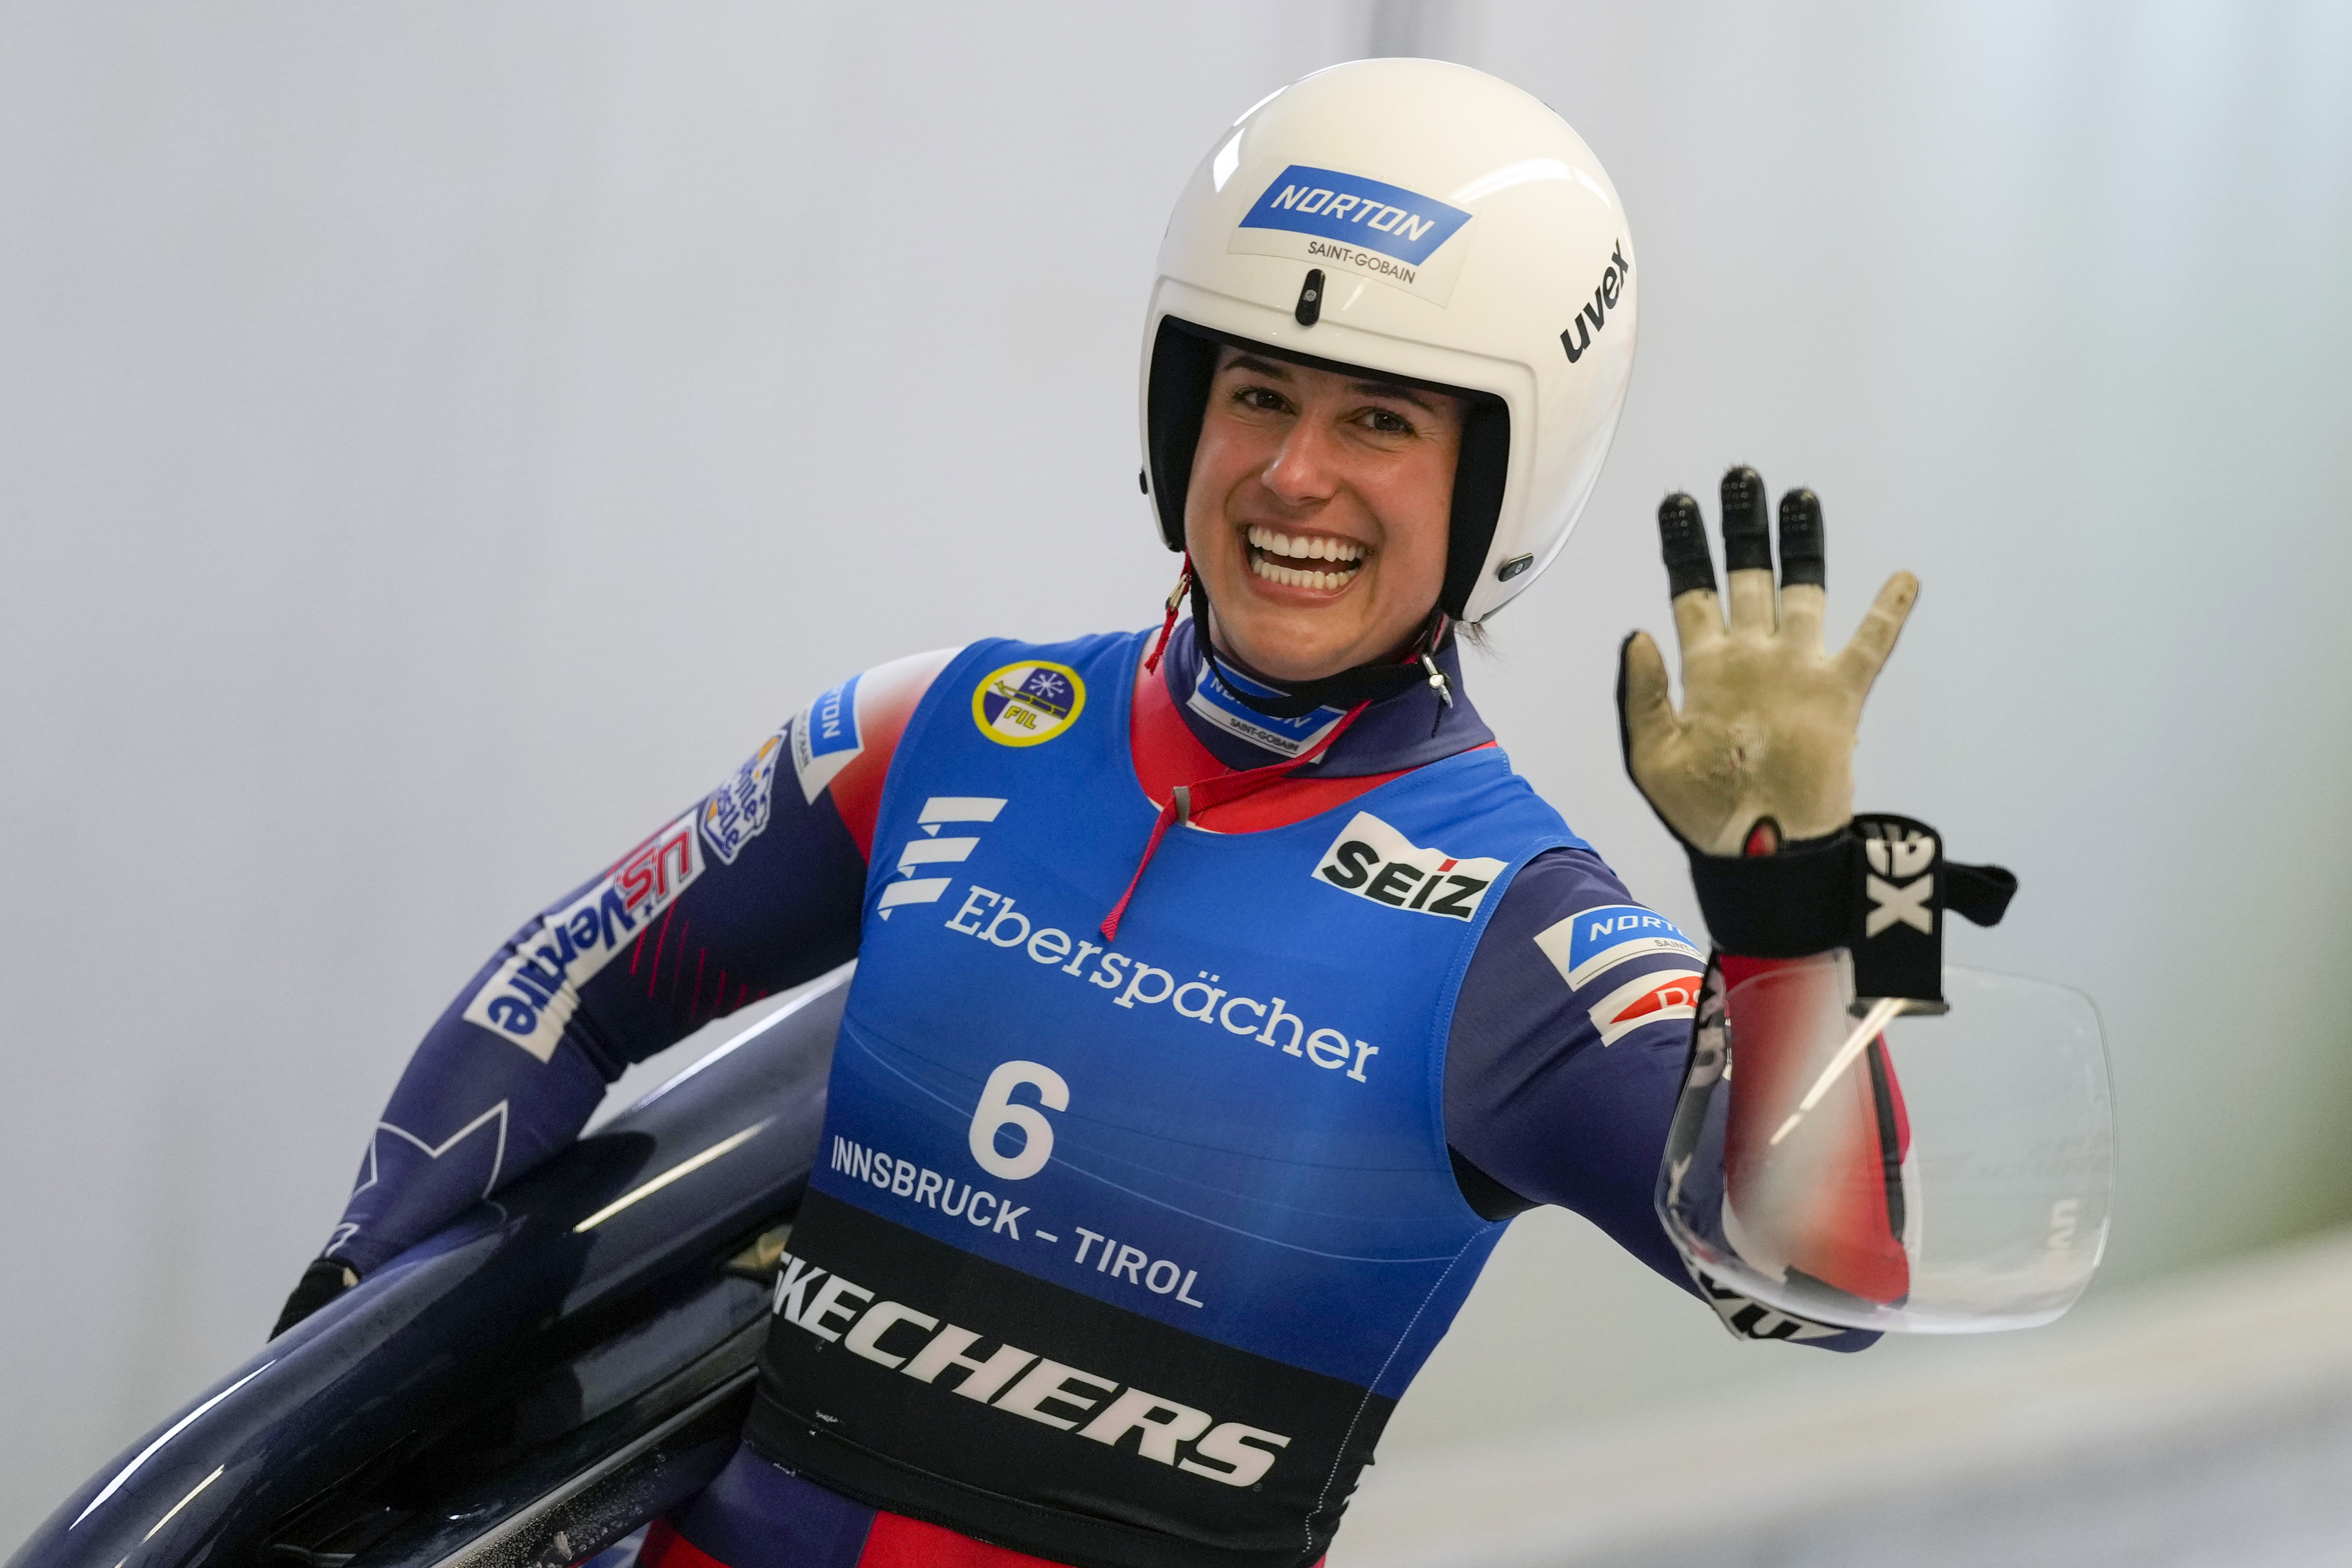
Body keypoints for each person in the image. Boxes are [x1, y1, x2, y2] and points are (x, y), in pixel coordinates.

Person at [271, 59, 1924, 1568]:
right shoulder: (946, 727)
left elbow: (1830, 1286)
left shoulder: (1521, 930)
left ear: (1504, 479)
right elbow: (561, 990)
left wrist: (1802, 905)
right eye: (1260, 393)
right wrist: (325, 1370)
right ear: (1180, 409)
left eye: (1382, 422)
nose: (1294, 475)